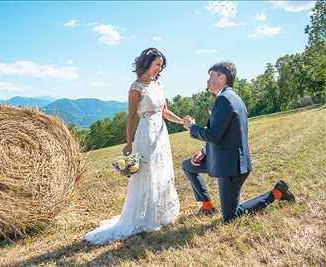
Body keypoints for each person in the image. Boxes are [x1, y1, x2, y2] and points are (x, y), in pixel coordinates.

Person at [85, 48, 183, 244]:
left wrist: (181, 121)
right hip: (146, 133)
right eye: (157, 64)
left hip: (161, 133)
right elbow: (130, 117)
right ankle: (142, 218)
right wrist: (128, 143)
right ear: (147, 64)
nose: (160, 68)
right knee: (146, 172)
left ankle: (160, 212)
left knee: (162, 170)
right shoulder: (136, 87)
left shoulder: (159, 84)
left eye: (161, 65)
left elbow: (164, 111)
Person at [182, 62, 295, 223]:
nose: (208, 81)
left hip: (230, 166)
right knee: (188, 165)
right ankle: (207, 205)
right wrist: (204, 151)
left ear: (222, 77)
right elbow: (226, 133)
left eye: (211, 76)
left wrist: (192, 126)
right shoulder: (231, 97)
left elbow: (214, 135)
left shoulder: (224, 99)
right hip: (222, 159)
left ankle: (277, 193)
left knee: (230, 217)